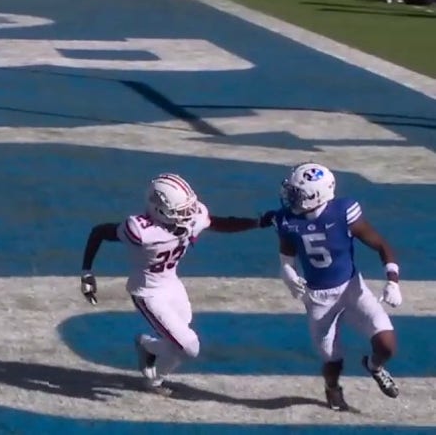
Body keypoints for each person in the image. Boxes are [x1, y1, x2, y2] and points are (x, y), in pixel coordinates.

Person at [79, 174, 275, 395]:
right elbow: (99, 232)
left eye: (189, 208)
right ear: (159, 208)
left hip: (172, 284)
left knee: (177, 340)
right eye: (181, 210)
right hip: (148, 292)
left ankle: (147, 346)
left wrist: (256, 223)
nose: (189, 214)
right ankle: (154, 380)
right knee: (189, 346)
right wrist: (87, 272)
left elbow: (221, 223)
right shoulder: (140, 231)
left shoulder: (190, 217)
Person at [273, 162, 403, 411]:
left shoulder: (343, 212)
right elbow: (286, 257)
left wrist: (393, 281)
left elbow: (382, 245)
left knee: (387, 345)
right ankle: (332, 388)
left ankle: (374, 367)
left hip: (352, 289)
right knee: (332, 360)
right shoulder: (286, 220)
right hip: (318, 298)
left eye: (298, 193)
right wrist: (287, 272)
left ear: (317, 196)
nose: (291, 196)